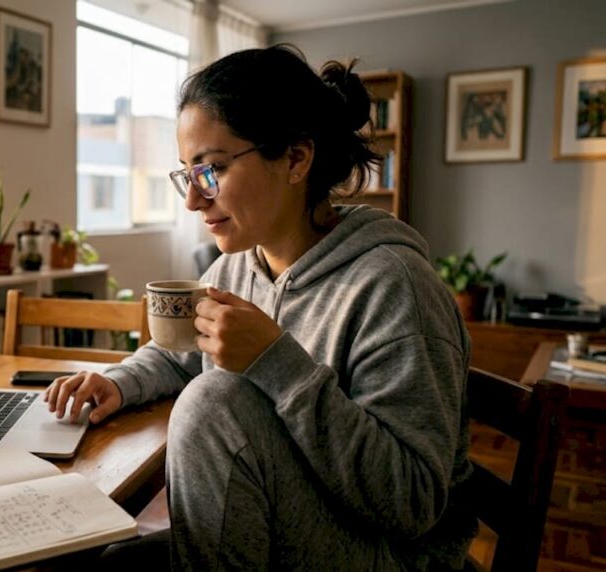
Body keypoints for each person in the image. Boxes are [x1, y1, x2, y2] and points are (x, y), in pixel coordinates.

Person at [47, 44, 475, 571]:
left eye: (213, 170)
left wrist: (275, 362)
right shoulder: (234, 270)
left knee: (212, 400)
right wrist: (116, 383)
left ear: (296, 158)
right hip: (273, 517)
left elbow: (414, 503)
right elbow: (177, 354)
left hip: (387, 554)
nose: (192, 201)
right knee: (87, 563)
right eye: (187, 174)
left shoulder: (395, 287)